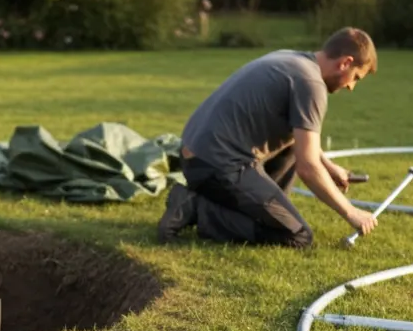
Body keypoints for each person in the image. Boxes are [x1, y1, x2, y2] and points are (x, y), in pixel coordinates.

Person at [158, 27, 378, 247]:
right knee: (297, 236)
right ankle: (195, 208)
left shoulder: (291, 58)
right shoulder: (311, 84)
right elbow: (308, 167)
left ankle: (264, 212)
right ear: (346, 62)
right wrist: (351, 212)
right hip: (217, 166)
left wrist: (330, 167)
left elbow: (302, 135)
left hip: (197, 155)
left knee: (294, 145)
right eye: (356, 78)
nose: (351, 87)